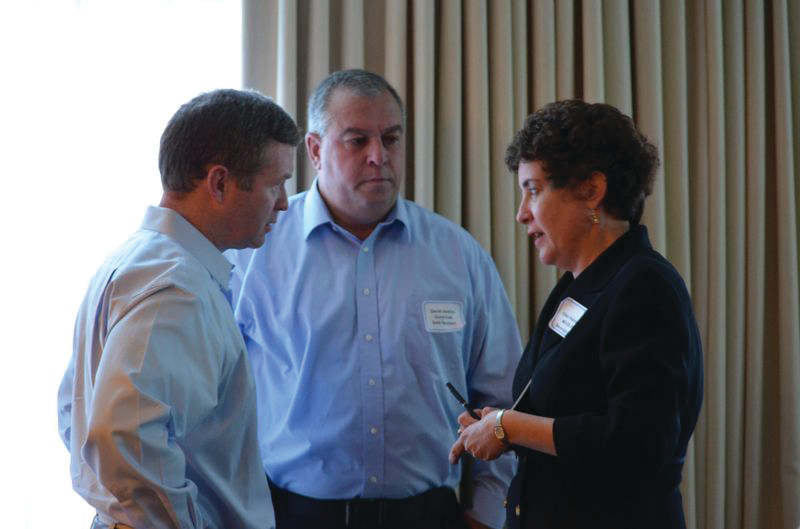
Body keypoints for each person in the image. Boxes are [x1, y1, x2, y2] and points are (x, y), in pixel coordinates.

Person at [228, 69, 522, 529]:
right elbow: (214, 400)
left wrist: (487, 513)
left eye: (391, 139)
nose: (378, 157)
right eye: (357, 140)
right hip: (293, 515)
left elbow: (504, 397)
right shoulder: (254, 252)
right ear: (316, 149)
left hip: (429, 515)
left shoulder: (457, 254)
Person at [449, 100, 704, 529]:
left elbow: (638, 442)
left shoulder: (643, 286)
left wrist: (507, 426)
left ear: (591, 190)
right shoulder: (578, 286)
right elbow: (570, 413)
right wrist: (497, 422)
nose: (521, 213)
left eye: (533, 189)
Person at [57, 89, 301, 529]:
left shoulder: (137, 258)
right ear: (220, 183)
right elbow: (124, 437)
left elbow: (74, 411)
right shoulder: (178, 288)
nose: (284, 202)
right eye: (275, 184)